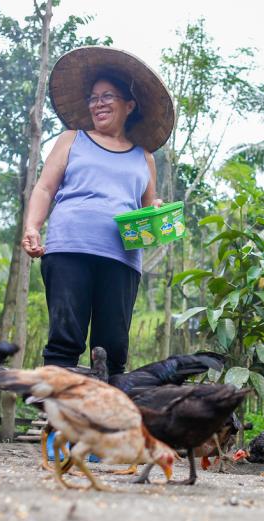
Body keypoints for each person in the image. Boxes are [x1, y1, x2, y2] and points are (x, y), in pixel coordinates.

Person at [22, 46, 175, 377]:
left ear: (128, 105)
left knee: (113, 348)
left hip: (122, 260)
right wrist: (33, 227)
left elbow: (149, 210)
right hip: (68, 249)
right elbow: (45, 187)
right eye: (93, 98)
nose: (98, 103)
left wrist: (156, 212)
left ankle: (104, 423)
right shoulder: (71, 140)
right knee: (65, 340)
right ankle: (57, 423)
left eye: (108, 96)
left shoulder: (144, 157)